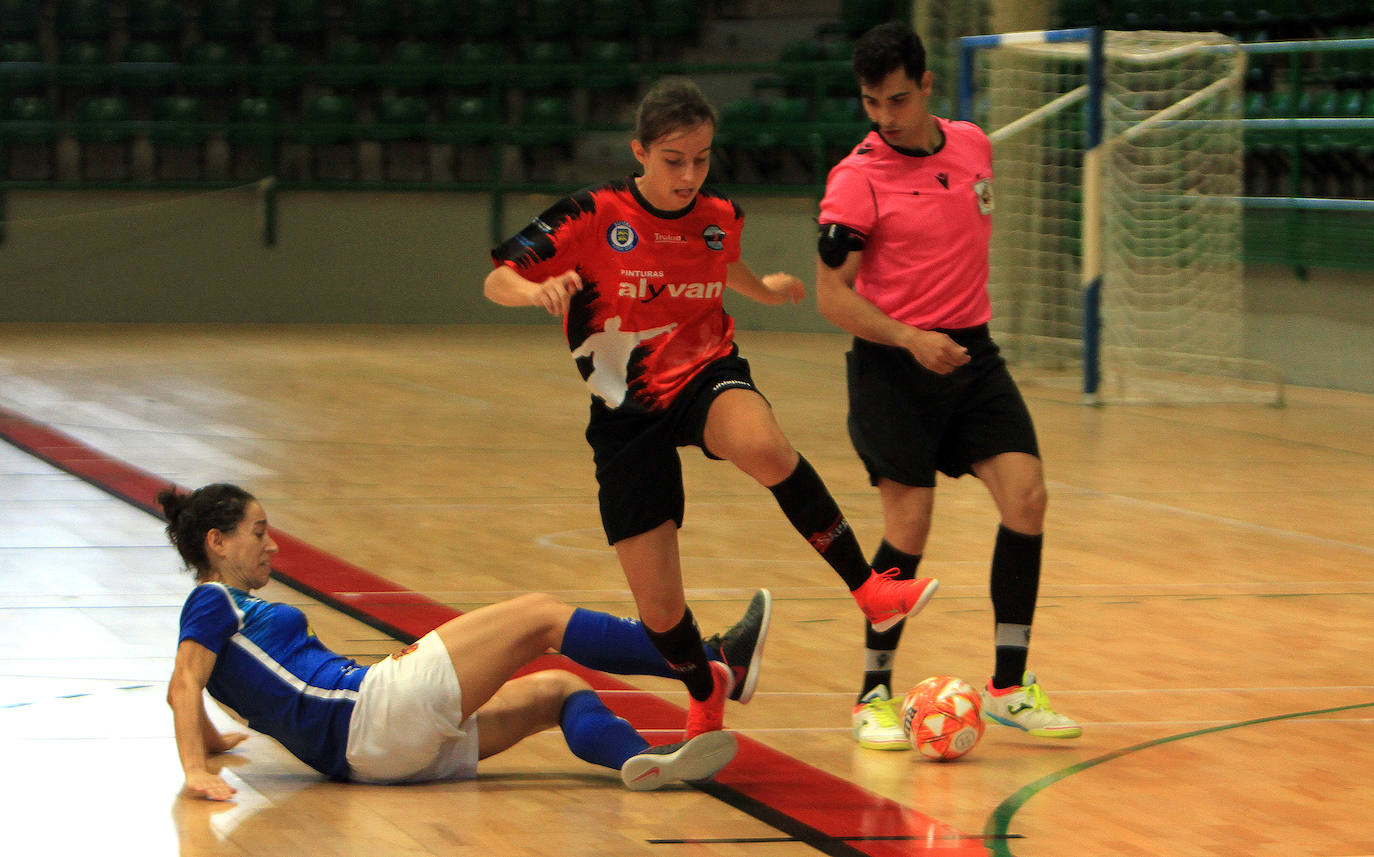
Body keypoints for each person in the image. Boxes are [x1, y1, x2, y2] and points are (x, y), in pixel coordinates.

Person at [484, 78, 938, 739]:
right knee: (660, 609)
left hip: (704, 373)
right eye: (674, 160)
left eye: (701, 159)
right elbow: (497, 277)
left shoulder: (720, 213)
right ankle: (706, 686)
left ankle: (870, 587)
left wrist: (765, 288)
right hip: (624, 408)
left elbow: (721, 263)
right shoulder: (589, 214)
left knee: (763, 443)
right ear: (641, 151)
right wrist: (537, 290)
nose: (690, 175)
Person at [815, 21, 1082, 750]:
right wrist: (907, 336)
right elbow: (832, 297)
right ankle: (872, 692)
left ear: (926, 86)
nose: (884, 117)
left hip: (971, 354)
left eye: (897, 100)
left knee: (1027, 497)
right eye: (871, 103)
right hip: (893, 365)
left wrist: (948, 341)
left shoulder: (972, 144)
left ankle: (1009, 686)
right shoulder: (856, 179)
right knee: (910, 526)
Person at [162, 482, 771, 799]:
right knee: (539, 617)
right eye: (258, 532)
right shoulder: (213, 600)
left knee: (557, 692)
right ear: (217, 542)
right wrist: (195, 768)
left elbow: (203, 685)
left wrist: (214, 742)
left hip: (368, 761)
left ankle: (644, 763)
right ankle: (716, 661)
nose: (271, 545)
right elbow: (183, 683)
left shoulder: (223, 628)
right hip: (372, 714)